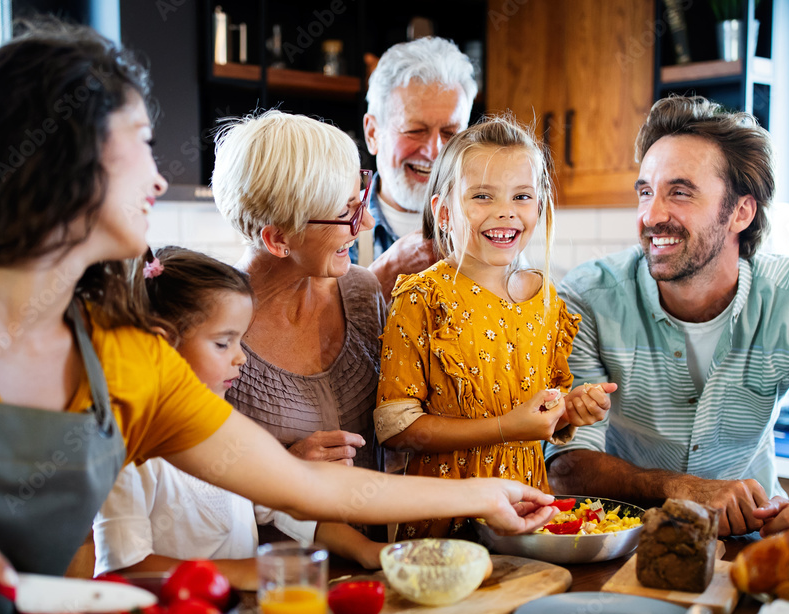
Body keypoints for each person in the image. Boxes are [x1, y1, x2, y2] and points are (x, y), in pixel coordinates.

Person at [0, 22, 557, 614]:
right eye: (137, 143)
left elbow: (300, 486)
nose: (158, 179)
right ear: (58, 160)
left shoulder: (125, 354)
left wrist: (484, 494)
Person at [546, 95, 789, 538]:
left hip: (752, 540)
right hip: (623, 540)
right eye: (645, 191)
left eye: (680, 192)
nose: (651, 215)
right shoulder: (586, 299)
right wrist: (681, 489)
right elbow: (567, 465)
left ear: (741, 212)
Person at [374, 117, 617, 539]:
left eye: (521, 196)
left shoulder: (545, 300)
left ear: (538, 207)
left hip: (529, 510)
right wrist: (508, 427)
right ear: (444, 212)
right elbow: (396, 429)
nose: (506, 211)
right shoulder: (421, 298)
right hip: (446, 519)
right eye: (482, 196)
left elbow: (542, 413)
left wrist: (570, 410)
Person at [93, 247, 384, 590]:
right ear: (163, 343)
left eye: (240, 341)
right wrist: (252, 571)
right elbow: (125, 567)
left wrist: (367, 550)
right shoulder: (129, 449)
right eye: (222, 343)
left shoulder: (225, 423)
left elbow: (280, 504)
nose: (241, 359)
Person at [215, 111, 386, 497]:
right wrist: (282, 471)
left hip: (377, 555)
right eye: (345, 214)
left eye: (358, 202)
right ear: (278, 240)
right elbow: (178, 485)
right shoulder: (209, 328)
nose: (367, 223)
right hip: (272, 557)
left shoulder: (363, 293)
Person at [356, 37, 477, 299]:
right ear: (372, 133)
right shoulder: (334, 226)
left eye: (450, 132)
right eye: (415, 130)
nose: (434, 151)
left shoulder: (490, 224)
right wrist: (382, 276)